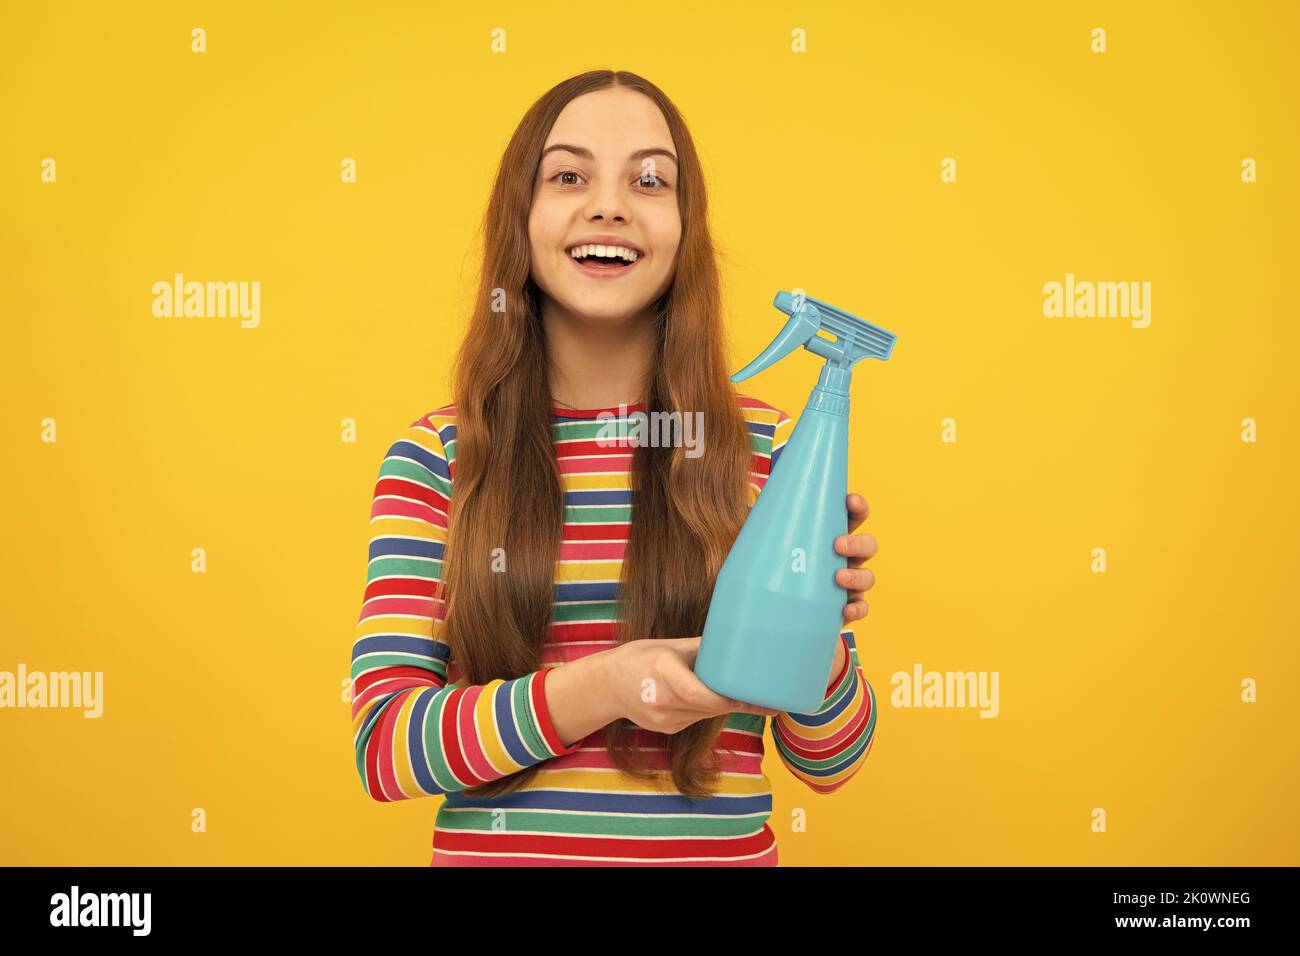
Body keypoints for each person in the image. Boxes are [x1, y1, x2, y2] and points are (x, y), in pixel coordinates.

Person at [349, 69, 878, 866]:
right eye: (568, 176)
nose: (609, 205)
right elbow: (387, 749)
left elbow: (832, 761)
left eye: (649, 180)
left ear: (683, 228)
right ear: (519, 221)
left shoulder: (770, 452)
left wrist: (818, 635)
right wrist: (608, 686)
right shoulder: (440, 458)